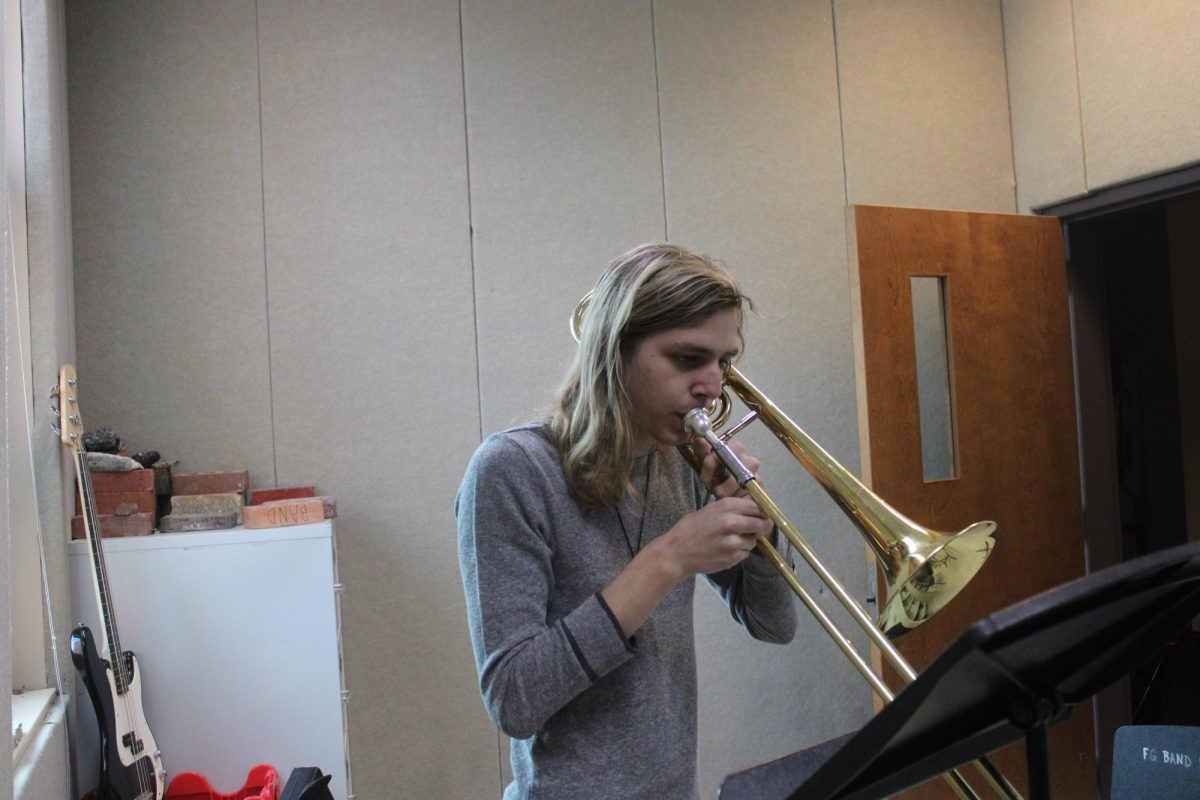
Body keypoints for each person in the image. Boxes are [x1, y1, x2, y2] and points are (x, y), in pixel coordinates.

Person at [456, 242, 797, 799]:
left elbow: (774, 625)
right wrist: (666, 560)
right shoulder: (512, 471)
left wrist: (759, 525)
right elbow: (514, 699)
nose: (712, 386)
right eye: (688, 359)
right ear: (614, 351)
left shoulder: (680, 461)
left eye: (724, 362)